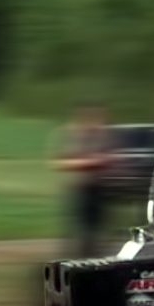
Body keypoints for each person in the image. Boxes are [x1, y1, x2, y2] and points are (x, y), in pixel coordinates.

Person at [50, 102, 114, 258]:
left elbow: (109, 159)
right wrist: (88, 162)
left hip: (99, 188)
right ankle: (73, 257)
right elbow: (57, 162)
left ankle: (96, 256)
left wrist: (93, 161)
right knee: (77, 227)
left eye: (99, 117)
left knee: (98, 228)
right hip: (78, 188)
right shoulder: (70, 136)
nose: (96, 121)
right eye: (92, 117)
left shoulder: (103, 136)